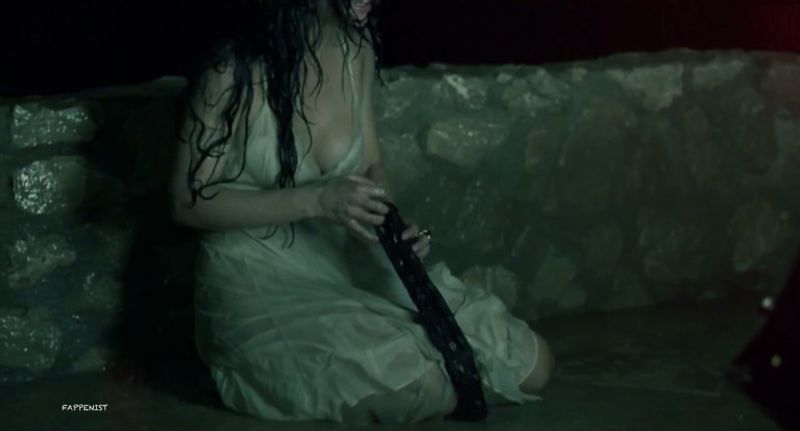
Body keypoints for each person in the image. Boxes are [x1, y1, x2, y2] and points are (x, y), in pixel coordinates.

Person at [168, 0, 554, 424]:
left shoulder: (357, 49)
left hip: (344, 258)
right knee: (420, 384)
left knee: (531, 364)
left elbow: (371, 164)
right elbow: (187, 202)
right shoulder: (231, 70)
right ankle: (258, 365)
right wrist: (319, 199)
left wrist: (390, 225)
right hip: (256, 273)